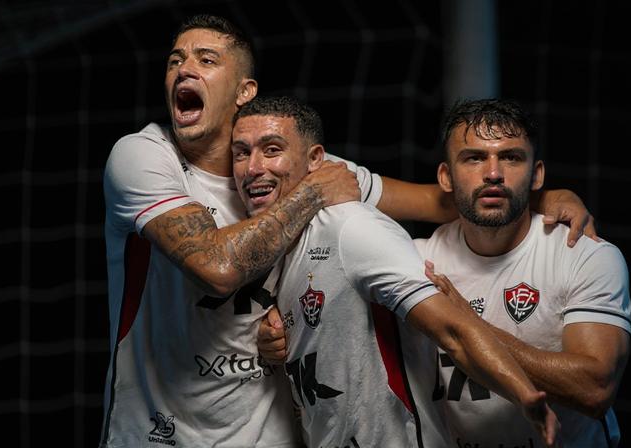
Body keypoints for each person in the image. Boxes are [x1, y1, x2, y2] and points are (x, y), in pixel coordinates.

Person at [101, 13, 594, 447]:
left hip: (270, 433)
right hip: (158, 432)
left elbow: (437, 201)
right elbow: (219, 268)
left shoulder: (298, 163)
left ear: (244, 90)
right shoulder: (145, 157)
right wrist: (312, 193)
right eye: (174, 60)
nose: (184, 69)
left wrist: (536, 197)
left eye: (206, 60)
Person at [232, 95, 559, 448]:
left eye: (271, 150)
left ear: (315, 160)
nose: (253, 168)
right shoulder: (277, 247)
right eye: (240, 153)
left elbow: (453, 329)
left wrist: (523, 395)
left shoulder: (352, 228)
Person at [416, 99, 631, 447]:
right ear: (445, 177)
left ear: (537, 175)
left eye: (511, 157)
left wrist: (467, 325)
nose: (493, 173)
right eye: (474, 157)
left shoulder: (584, 255)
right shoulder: (416, 262)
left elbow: (594, 388)